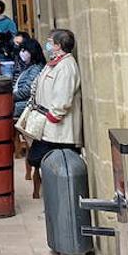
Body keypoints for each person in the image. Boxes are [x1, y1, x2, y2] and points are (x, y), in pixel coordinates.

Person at [27, 29, 83, 197]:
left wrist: (54, 115)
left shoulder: (67, 66)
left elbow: (62, 96)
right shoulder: (54, 63)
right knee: (36, 158)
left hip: (58, 129)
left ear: (58, 45)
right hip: (47, 123)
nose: (48, 44)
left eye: (50, 41)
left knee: (47, 160)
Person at [12, 35, 46, 118]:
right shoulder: (28, 66)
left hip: (23, 105)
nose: (22, 53)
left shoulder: (36, 68)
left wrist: (9, 96)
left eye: (24, 50)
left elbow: (27, 91)